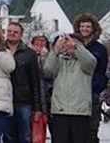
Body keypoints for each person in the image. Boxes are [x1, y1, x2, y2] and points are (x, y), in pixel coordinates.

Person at [42, 32, 97, 143]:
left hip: (80, 112)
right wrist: (56, 50)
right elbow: (48, 71)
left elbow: (91, 61)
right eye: (66, 43)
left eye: (71, 43)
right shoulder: (58, 60)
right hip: (59, 111)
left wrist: (76, 47)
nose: (68, 45)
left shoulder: (85, 63)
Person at [3, 21, 43, 143]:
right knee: (8, 137)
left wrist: (38, 108)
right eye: (9, 31)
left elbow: (35, 81)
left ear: (21, 35)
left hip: (24, 101)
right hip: (5, 100)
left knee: (25, 137)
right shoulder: (0, 51)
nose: (12, 34)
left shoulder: (29, 54)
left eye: (15, 32)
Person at [74, 14, 108, 143]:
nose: (84, 29)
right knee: (77, 130)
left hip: (91, 93)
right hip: (75, 93)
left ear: (93, 29)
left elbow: (102, 71)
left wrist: (96, 89)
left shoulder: (100, 49)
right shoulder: (73, 45)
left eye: (88, 26)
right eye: (82, 26)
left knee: (92, 130)